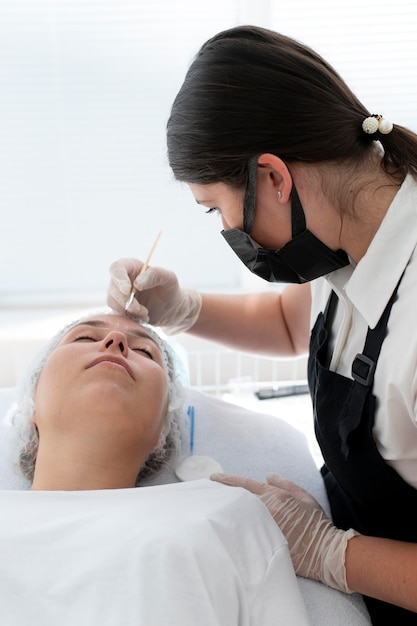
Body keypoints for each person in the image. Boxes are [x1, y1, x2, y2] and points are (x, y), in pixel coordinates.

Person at [106, 25, 417, 624]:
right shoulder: (351, 209)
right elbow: (287, 325)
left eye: (215, 210)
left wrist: (330, 554)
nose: (227, 231)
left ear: (273, 178)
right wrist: (180, 307)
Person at [0, 311, 309, 626]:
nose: (115, 341)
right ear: (31, 407)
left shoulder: (228, 513)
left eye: (145, 351)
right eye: (85, 338)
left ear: (163, 431)